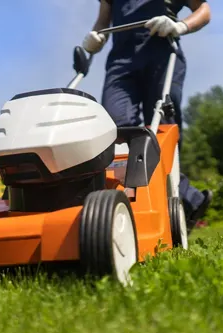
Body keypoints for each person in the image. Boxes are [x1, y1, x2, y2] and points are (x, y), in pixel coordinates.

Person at [82, 0, 213, 234]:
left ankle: (168, 206)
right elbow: (103, 21)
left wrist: (181, 26)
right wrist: (95, 37)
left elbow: (203, 11)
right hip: (121, 63)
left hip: (162, 54)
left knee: (162, 132)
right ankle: (183, 200)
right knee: (117, 131)